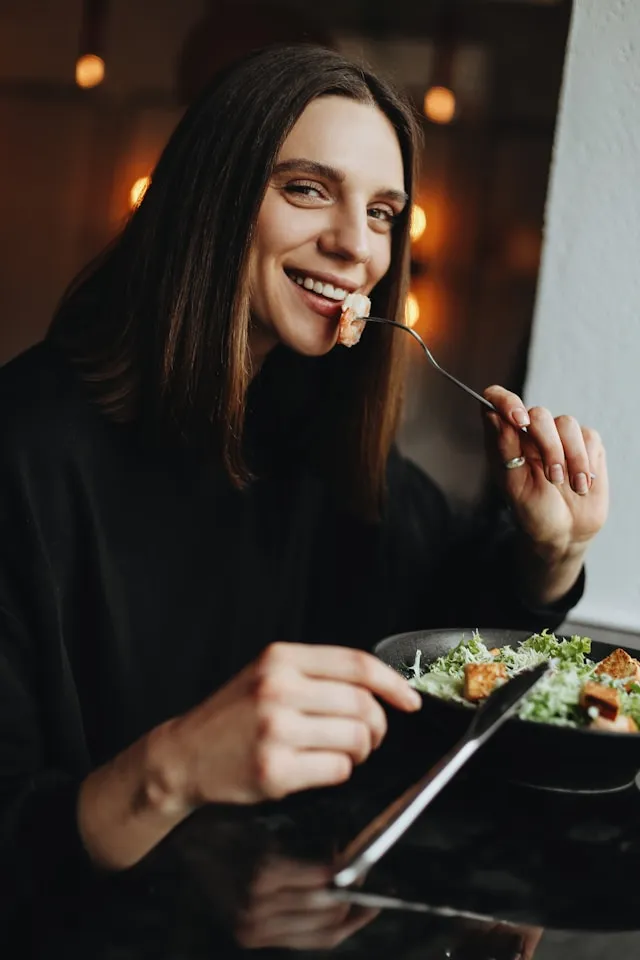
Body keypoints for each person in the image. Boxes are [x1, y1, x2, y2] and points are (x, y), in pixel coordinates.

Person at [0, 45, 608, 894]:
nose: (354, 244)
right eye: (307, 189)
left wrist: (548, 557)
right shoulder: (25, 449)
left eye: (385, 212)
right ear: (209, 200)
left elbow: (443, 645)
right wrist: (170, 770)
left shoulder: (321, 446)